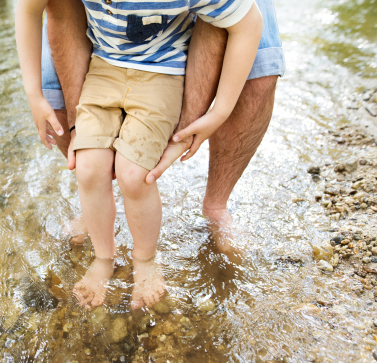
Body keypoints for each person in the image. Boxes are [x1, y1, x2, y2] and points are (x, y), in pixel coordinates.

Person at [16, 0, 263, 309]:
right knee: (89, 169)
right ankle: (104, 256)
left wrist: (220, 111)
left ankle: (145, 259)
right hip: (103, 70)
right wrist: (34, 94)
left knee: (135, 175)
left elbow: (249, 24)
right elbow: (28, 8)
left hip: (162, 73)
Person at [43, 0, 285, 257]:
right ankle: (96, 217)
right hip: (108, 60)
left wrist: (212, 115)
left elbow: (245, 23)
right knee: (68, 124)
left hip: (164, 64)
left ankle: (213, 208)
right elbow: (51, 11)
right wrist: (73, 123)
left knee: (258, 72)